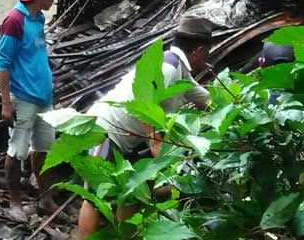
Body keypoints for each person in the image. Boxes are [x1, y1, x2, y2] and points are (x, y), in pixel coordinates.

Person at [77, 16, 215, 238]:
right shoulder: (167, 67)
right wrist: (155, 141)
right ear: (199, 50)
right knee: (95, 196)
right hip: (104, 130)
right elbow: (144, 100)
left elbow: (207, 99)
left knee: (131, 193)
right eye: (208, 51)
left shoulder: (180, 72)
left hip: (120, 137)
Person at [0, 0, 58, 222]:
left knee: (43, 149)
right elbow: (2, 62)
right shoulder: (15, 20)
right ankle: (15, 203)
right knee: (16, 151)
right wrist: (6, 103)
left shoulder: (38, 18)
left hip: (43, 97)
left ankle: (45, 199)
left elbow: (37, 55)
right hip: (23, 97)